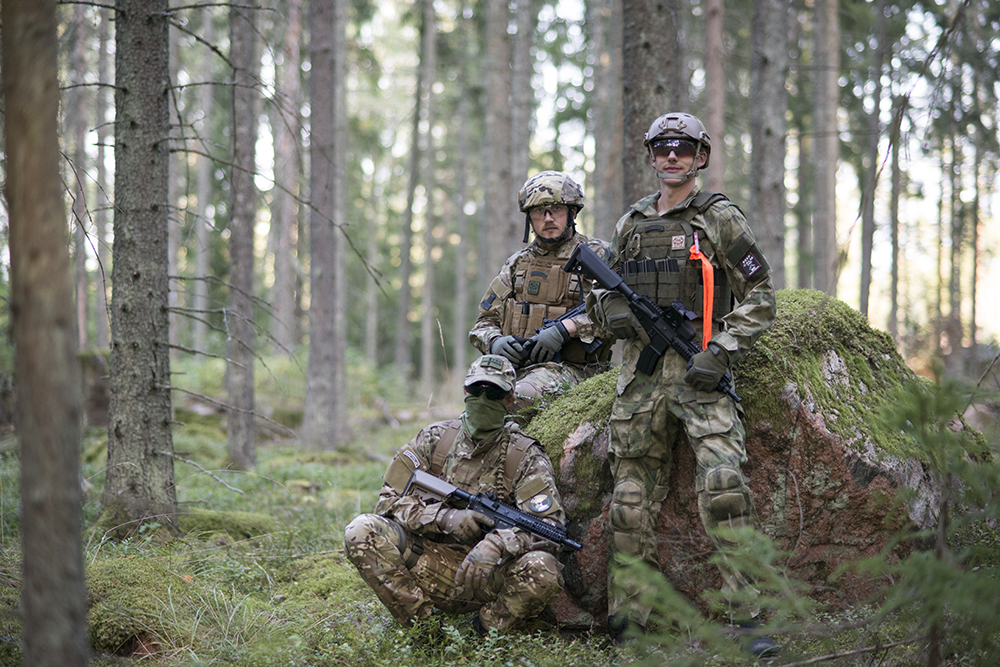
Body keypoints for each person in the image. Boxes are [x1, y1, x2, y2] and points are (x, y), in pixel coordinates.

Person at [586, 112, 779, 658]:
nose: (672, 156)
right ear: (651, 156)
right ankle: (630, 624)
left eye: (684, 148)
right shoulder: (629, 224)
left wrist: (720, 352)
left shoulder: (720, 220)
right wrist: (615, 311)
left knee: (724, 488)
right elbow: (597, 303)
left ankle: (748, 619)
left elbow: (762, 297)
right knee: (629, 501)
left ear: (700, 157)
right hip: (640, 384)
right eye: (663, 148)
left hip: (701, 376)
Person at [343, 355, 567, 635]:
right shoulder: (433, 439)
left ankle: (480, 635)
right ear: (465, 392)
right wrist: (446, 518)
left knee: (544, 569)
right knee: (361, 530)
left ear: (509, 399)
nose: (483, 399)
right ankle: (426, 632)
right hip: (426, 560)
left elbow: (549, 528)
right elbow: (388, 503)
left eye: (494, 393)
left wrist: (498, 543)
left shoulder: (524, 456)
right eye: (477, 391)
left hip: (488, 576)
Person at [470, 171, 611, 417]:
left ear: (572, 212)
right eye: (538, 212)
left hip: (577, 370)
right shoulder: (517, 264)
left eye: (556, 209)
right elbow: (484, 322)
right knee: (479, 393)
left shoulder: (598, 256)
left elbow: (620, 312)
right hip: (518, 366)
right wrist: (495, 342)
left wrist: (566, 329)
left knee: (519, 398)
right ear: (529, 219)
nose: (547, 218)